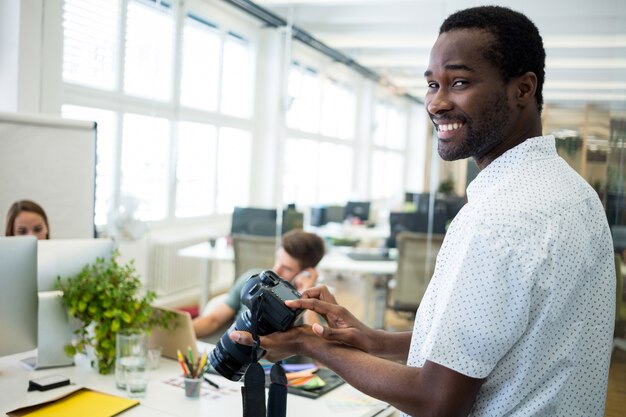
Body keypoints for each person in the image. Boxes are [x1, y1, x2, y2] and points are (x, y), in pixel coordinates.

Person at [230, 6, 616, 417]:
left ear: (522, 89)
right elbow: (491, 342)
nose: (437, 102)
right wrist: (376, 341)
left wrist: (312, 344)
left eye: (460, 82)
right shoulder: (573, 191)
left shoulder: (500, 217)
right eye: (433, 84)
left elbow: (437, 402)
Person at [192, 229, 325, 338]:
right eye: (278, 259)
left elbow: (318, 354)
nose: (276, 270)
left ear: (306, 272)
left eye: (287, 268)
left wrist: (306, 297)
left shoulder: (316, 302)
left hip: (275, 368)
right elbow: (213, 320)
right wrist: (178, 332)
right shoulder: (253, 279)